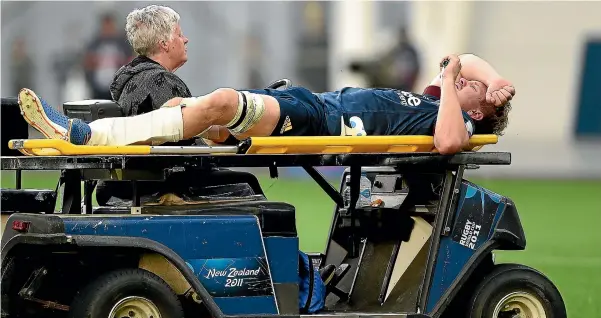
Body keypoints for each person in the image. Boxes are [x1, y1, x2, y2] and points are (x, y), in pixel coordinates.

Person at [17, 53, 515, 155]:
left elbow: (450, 142)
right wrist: (494, 79)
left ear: (476, 112)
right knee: (193, 120)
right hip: (311, 103)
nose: (464, 78)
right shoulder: (438, 97)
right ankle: (98, 132)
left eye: (475, 88)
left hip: (318, 119)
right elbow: (466, 59)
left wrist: (456, 84)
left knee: (219, 102)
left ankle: (88, 136)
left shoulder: (452, 119)